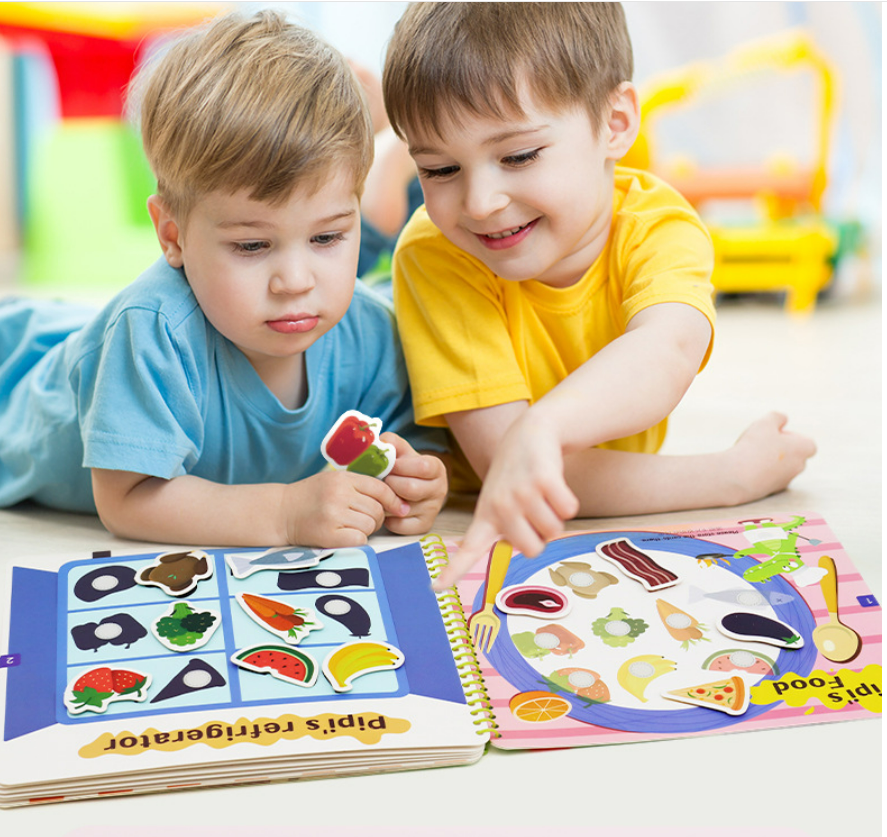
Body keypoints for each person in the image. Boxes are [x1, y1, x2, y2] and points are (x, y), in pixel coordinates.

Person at [381, 2, 816, 589]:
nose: (481, 201)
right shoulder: (437, 251)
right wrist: (732, 476)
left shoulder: (658, 225)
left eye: (518, 156)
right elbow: (515, 470)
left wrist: (543, 428)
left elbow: (664, 352)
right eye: (438, 170)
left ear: (614, 123)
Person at [0, 10, 447, 547]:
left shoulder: (372, 335)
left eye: (327, 238)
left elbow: (410, 444)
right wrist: (284, 513)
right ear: (172, 236)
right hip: (18, 379)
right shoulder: (152, 334)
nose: (295, 281)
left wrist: (412, 479)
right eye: (252, 246)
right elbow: (128, 499)